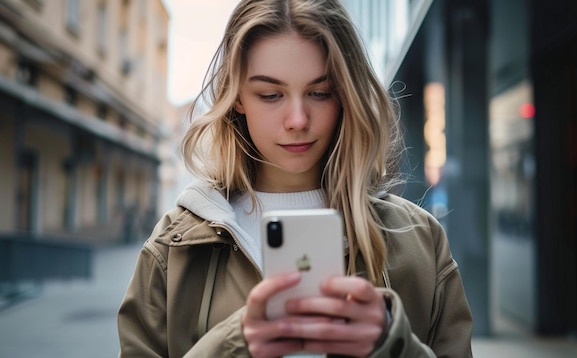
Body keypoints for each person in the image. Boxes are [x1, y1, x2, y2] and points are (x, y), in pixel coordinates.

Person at [117, 0, 473, 357]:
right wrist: (234, 343)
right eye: (270, 95)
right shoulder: (172, 250)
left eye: (320, 92)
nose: (298, 119)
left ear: (346, 94)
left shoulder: (419, 240)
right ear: (237, 96)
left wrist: (391, 344)